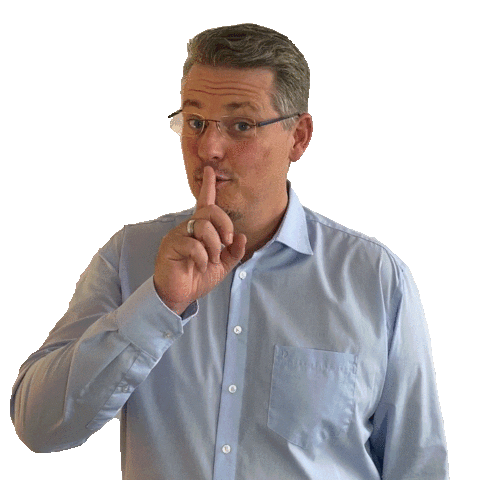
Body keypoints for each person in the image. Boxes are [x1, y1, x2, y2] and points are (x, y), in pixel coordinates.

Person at [11, 24, 448, 479]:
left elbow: (418, 466)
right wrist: (159, 303)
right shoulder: (130, 257)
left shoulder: (375, 277)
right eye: (195, 122)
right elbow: (38, 427)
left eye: (241, 125)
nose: (209, 149)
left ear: (299, 137)